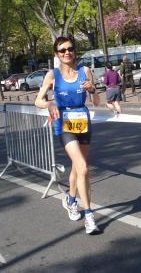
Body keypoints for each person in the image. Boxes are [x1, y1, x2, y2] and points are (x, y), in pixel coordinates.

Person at [35, 37, 101, 235]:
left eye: (70, 49)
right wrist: (50, 104)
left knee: (77, 167)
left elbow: (96, 101)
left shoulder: (85, 71)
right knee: (83, 167)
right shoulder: (52, 75)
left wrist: (92, 89)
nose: (67, 53)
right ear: (56, 54)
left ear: (75, 51)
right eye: (62, 50)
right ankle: (89, 216)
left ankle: (70, 200)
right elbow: (38, 101)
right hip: (63, 123)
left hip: (83, 121)